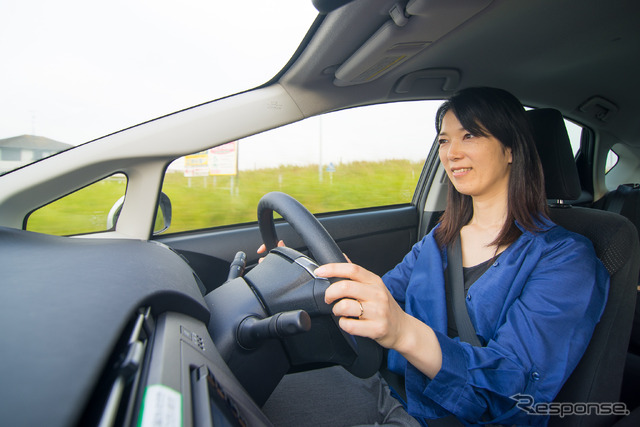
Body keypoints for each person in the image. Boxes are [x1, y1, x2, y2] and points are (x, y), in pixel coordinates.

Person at [259, 87, 609, 426]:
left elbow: (513, 392)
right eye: (444, 140)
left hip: (447, 418)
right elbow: (385, 298)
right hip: (390, 389)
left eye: (469, 135)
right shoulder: (439, 241)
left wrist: (404, 333)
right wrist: (312, 276)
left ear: (510, 149)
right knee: (255, 396)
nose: (451, 153)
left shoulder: (565, 259)